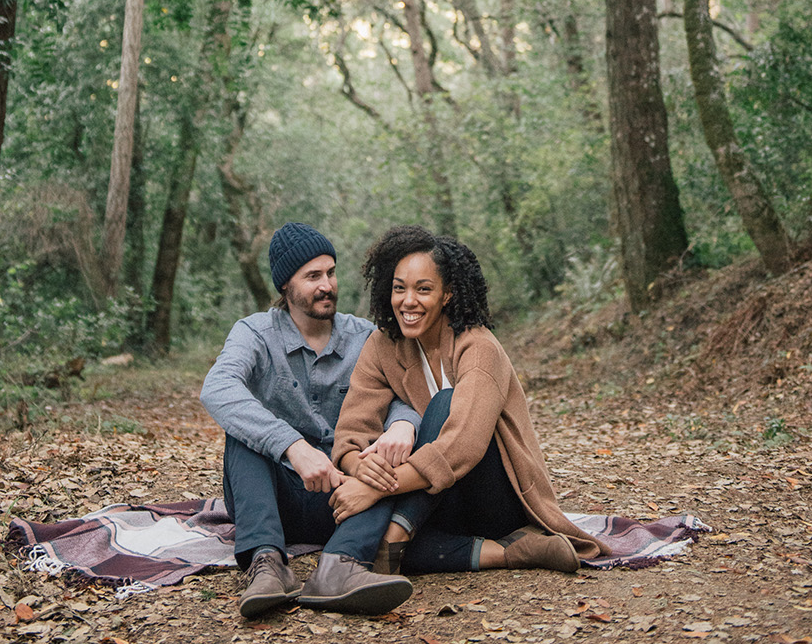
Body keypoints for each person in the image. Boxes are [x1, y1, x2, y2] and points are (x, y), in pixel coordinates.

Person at [301, 224, 610, 613]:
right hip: (430, 498)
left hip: (493, 494)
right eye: (399, 288)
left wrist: (377, 489)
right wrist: (360, 467)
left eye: (423, 289)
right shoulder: (383, 345)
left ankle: (382, 542)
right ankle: (506, 553)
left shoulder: (479, 348)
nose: (408, 301)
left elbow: (462, 446)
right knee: (382, 499)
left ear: (447, 294)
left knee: (443, 406)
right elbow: (351, 432)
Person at [200, 222, 421, 619]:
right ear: (286, 285)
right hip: (274, 496)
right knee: (243, 436)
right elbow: (217, 388)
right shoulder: (255, 332)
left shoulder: (366, 336)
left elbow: (404, 394)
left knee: (382, 461)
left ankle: (340, 567)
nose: (327, 285)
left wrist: (403, 425)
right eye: (313, 276)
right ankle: (267, 565)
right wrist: (292, 446)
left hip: (344, 501)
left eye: (331, 273)